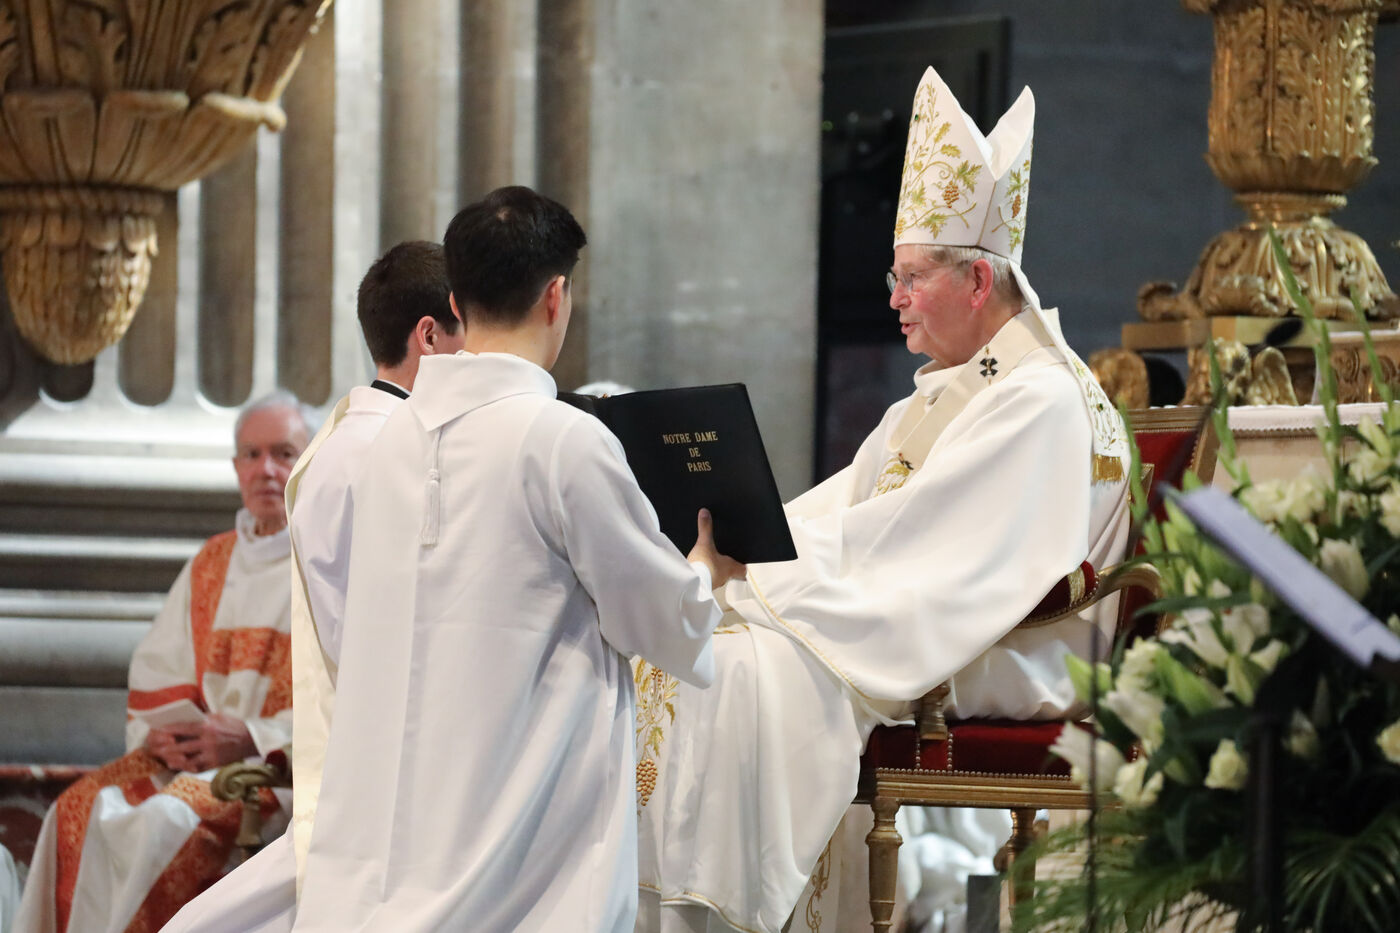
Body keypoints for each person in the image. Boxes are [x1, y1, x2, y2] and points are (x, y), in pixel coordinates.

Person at [634, 65, 1132, 933]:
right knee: (699, 642)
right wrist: (743, 541)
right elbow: (849, 511)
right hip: (933, 613)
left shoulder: (1041, 396)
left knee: (740, 669)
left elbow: (938, 547)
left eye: (911, 277)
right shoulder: (945, 390)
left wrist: (761, 570)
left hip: (1012, 645)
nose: (894, 299)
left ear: (978, 282)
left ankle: (714, 913)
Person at [291, 185, 740, 932]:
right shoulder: (563, 440)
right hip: (523, 840)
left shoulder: (386, 438)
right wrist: (705, 570)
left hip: (398, 837)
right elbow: (659, 616)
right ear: (556, 295)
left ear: (455, 301)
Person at [158, 241, 465, 933]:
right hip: (389, 761)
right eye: (467, 334)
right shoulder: (398, 456)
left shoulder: (345, 441)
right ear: (429, 335)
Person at [15, 394, 314, 933]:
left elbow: (348, 691)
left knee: (162, 825)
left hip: (274, 772)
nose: (266, 469)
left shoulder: (328, 560)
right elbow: (161, 670)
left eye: (283, 453)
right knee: (73, 812)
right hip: (194, 761)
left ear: (312, 462)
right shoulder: (212, 562)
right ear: (236, 467)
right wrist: (167, 737)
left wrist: (252, 737)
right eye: (251, 455)